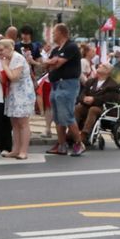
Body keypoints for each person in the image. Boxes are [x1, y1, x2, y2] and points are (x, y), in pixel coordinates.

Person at [45, 23, 84, 155]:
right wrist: (52, 61)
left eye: (54, 32)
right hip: (55, 84)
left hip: (67, 84)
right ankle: (61, 144)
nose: (53, 35)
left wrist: (53, 62)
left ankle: (79, 143)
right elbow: (49, 65)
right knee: (57, 117)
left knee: (66, 115)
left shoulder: (71, 46)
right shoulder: (56, 50)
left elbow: (58, 63)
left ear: (61, 33)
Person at [0, 37, 35, 159]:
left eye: (1, 50)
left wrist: (4, 66)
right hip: (13, 92)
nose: (0, 53)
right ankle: (15, 149)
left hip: (23, 93)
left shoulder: (18, 58)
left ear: (9, 48)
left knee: (23, 122)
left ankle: (23, 151)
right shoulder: (8, 59)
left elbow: (14, 77)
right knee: (14, 122)